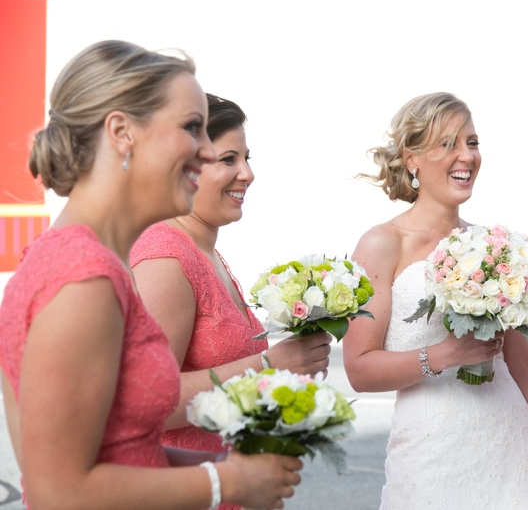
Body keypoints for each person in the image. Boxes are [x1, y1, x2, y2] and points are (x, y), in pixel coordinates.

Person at [0, 40, 302, 510]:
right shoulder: (85, 280)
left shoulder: (77, 259)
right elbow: (59, 491)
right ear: (122, 132)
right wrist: (229, 485)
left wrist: (232, 469)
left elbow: (121, 451)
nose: (205, 151)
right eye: (192, 128)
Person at [342, 92, 528, 510]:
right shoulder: (381, 245)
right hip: (431, 456)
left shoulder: (491, 248)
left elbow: (525, 367)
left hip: (509, 447)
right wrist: (445, 353)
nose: (467, 156)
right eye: (449, 144)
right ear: (412, 158)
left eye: (472, 143)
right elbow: (359, 370)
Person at [130, 94, 331, 509]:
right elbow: (149, 405)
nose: (248, 174)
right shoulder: (166, 259)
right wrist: (271, 364)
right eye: (228, 159)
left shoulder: (207, 253)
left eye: (246, 157)